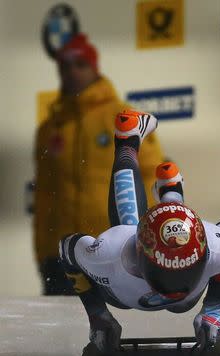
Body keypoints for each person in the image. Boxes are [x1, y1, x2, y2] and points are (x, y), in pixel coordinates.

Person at [59, 110, 220, 356]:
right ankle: (132, 146)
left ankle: (162, 179)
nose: (171, 288)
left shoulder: (216, 244)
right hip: (126, 262)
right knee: (126, 261)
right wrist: (98, 315)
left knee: (182, 304)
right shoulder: (110, 253)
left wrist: (214, 308)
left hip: (141, 277)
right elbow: (67, 248)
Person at [34, 34, 164, 295]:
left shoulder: (122, 118)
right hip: (65, 255)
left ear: (94, 67)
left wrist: (148, 241)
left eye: (80, 64)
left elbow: (151, 177)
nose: (72, 72)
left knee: (118, 328)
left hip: (116, 250)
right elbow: (44, 195)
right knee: (62, 331)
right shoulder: (50, 128)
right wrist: (45, 252)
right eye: (65, 66)